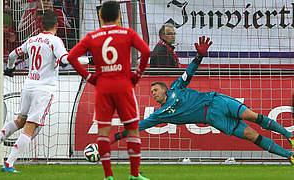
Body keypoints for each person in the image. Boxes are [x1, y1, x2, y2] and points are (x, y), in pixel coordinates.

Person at [113, 36, 294, 164]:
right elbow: (137, 127)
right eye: (151, 91)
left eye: (155, 89)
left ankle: (289, 135)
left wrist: (199, 57)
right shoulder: (160, 114)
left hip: (216, 101)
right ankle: (289, 156)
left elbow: (189, 73)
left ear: (165, 89)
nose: (153, 93)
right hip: (214, 119)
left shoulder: (177, 87)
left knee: (251, 115)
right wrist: (113, 138)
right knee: (251, 135)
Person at [67, 1, 150, 180]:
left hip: (103, 87)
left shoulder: (92, 36)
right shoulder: (128, 33)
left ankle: (108, 176)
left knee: (103, 132)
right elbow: (146, 52)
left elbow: (71, 57)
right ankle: (134, 175)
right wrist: (137, 75)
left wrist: (88, 77)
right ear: (119, 16)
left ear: (101, 16)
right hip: (123, 85)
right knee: (132, 130)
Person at [0, 10, 69, 172]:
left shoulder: (32, 40)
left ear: (41, 25)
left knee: (20, 121)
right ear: (57, 25)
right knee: (30, 127)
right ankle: (8, 164)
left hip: (28, 86)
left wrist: (10, 69)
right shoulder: (55, 41)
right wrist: (88, 60)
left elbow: (13, 54)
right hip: (44, 89)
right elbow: (64, 60)